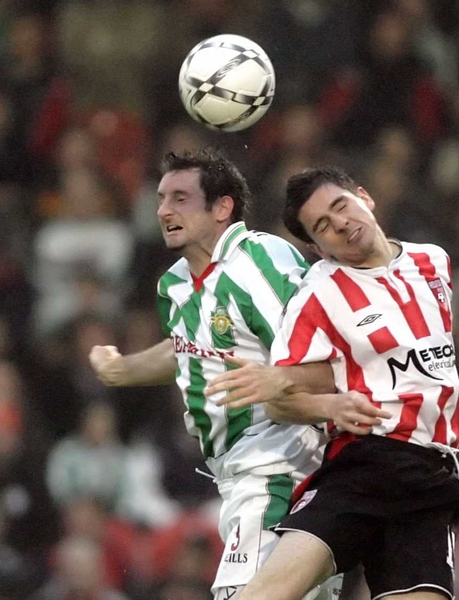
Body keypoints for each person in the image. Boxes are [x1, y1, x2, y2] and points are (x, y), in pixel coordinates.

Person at [88, 149, 341, 600]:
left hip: (283, 466)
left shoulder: (257, 262)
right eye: (162, 198)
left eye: (181, 198)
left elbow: (330, 357)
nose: (164, 209)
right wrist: (123, 370)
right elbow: (189, 349)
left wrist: (279, 383)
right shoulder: (176, 284)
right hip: (238, 473)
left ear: (222, 207)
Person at [206, 166, 459, 600]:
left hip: (431, 476)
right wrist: (331, 407)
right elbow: (280, 399)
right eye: (323, 226)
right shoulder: (318, 294)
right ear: (316, 246)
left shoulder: (433, 261)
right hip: (364, 467)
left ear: (365, 197)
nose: (341, 223)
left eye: (340, 206)